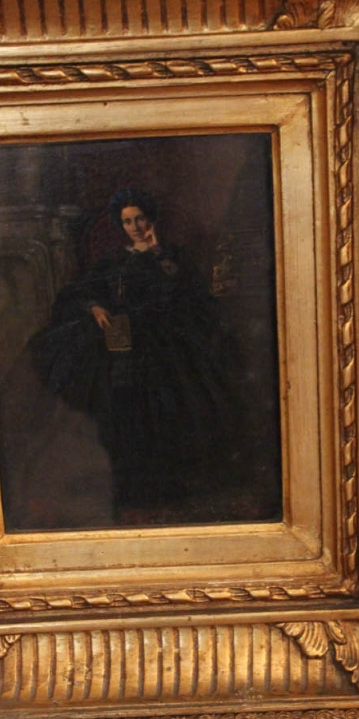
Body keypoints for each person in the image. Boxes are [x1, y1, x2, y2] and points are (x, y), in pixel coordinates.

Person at [31, 186, 236, 524]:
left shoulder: (171, 257)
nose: (135, 227)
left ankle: (166, 484)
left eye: (139, 218)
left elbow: (189, 295)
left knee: (169, 395)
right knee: (114, 396)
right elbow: (79, 291)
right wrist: (95, 307)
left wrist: (155, 252)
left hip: (164, 337)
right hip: (119, 336)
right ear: (121, 225)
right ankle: (126, 483)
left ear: (150, 218)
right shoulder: (114, 260)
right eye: (127, 222)